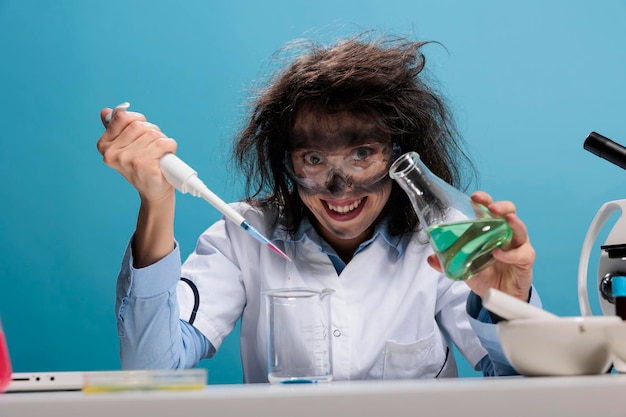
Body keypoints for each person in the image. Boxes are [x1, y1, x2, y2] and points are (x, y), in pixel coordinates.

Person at [96, 33, 538, 382]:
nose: (338, 186)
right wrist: (157, 200)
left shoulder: (443, 242)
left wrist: (507, 305)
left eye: (362, 154)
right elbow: (151, 370)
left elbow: (524, 383)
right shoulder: (243, 235)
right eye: (314, 159)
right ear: (285, 163)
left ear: (401, 154)